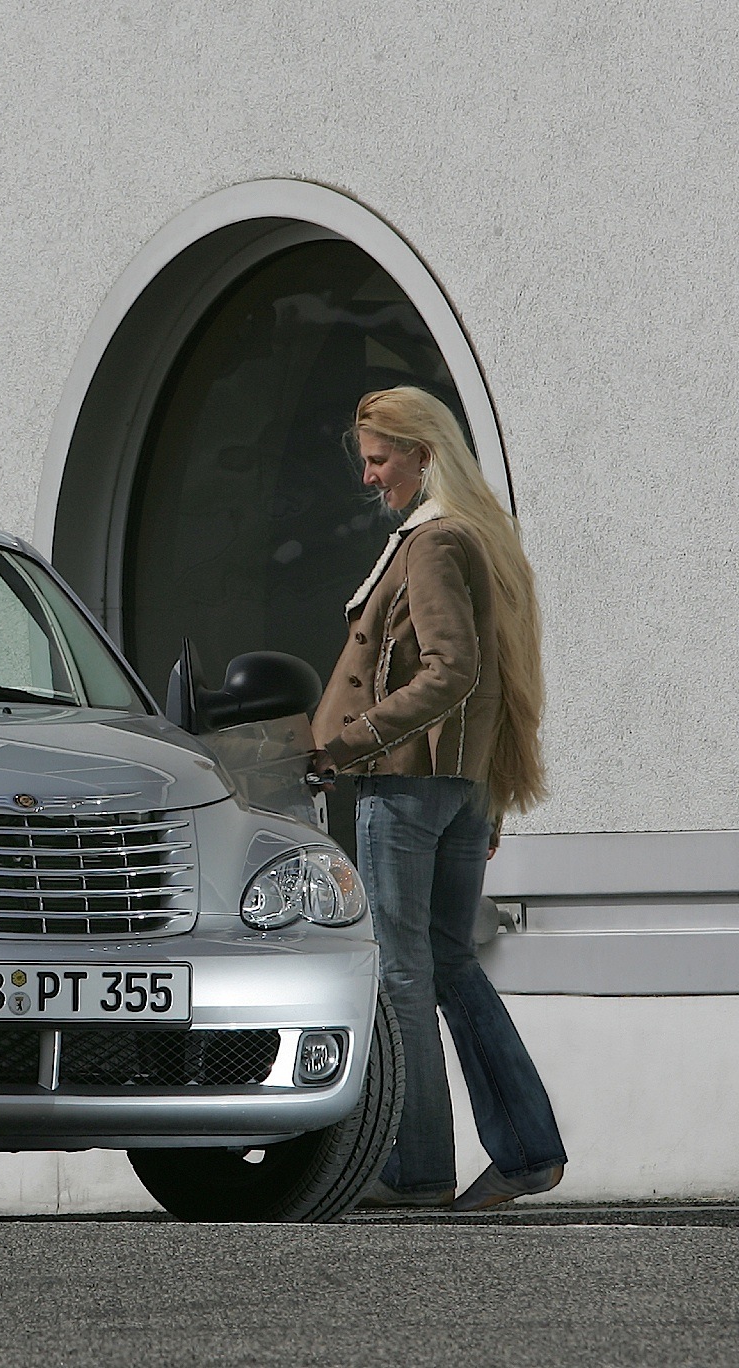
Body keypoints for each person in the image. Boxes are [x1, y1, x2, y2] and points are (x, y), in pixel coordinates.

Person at [309, 386, 566, 1212]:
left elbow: (451, 671)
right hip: (455, 789)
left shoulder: (432, 540)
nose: (370, 476)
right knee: (450, 962)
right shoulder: (474, 536)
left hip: (407, 787)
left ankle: (416, 1170)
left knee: (404, 975)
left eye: (379, 459)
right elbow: (489, 679)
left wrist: (344, 744)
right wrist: (485, 793)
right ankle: (527, 1150)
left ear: (423, 453)